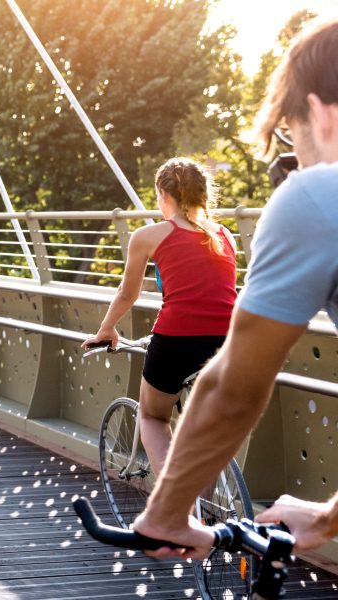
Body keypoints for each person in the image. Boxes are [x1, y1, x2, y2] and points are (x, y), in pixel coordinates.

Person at [133, 18, 338, 556]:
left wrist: (168, 517)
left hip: (177, 341)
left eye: (291, 133)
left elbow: (233, 391)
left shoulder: (316, 195)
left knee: (151, 410)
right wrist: (329, 517)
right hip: (213, 332)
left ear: (320, 114)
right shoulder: (220, 234)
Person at [83, 157, 237, 480]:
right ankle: (207, 512)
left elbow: (128, 293)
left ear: (164, 196)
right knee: (206, 432)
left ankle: (174, 508)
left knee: (153, 417)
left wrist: (106, 329)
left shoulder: (148, 236)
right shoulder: (225, 236)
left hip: (176, 340)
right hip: (227, 343)